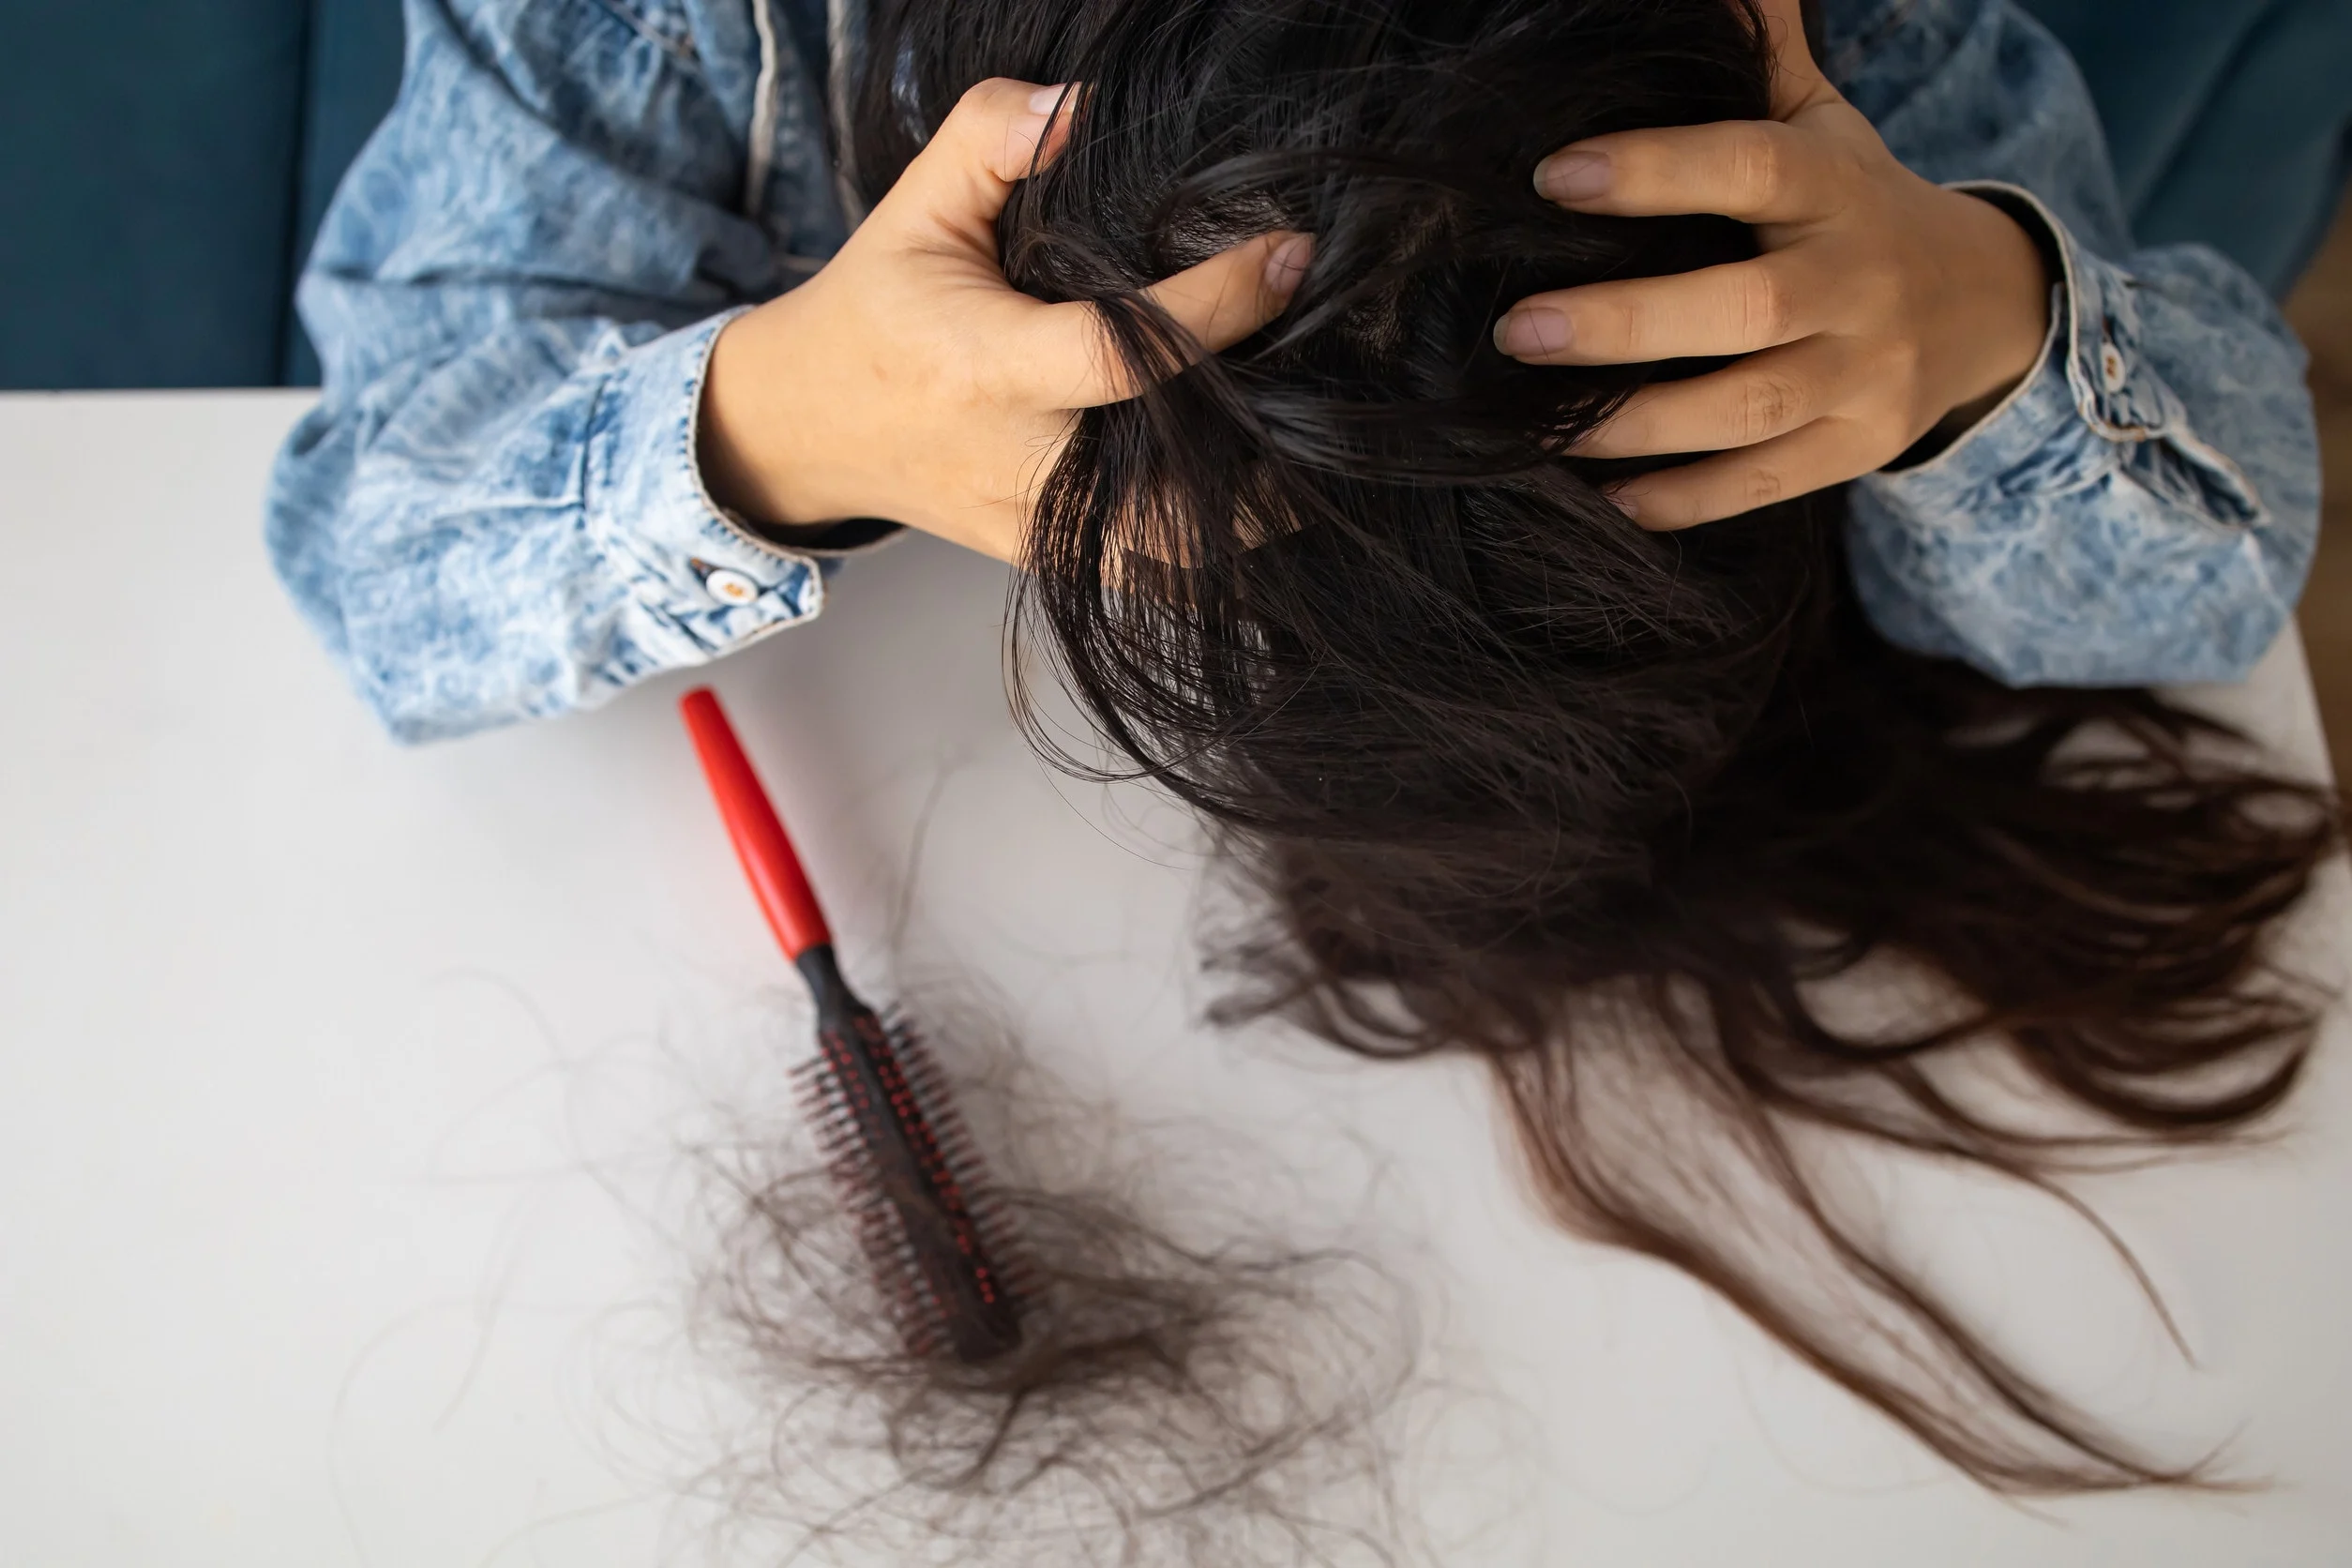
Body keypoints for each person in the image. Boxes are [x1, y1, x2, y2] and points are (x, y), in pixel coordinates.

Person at [265, 0, 2325, 744]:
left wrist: (1983, 333)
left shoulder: (1835, 36)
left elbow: (2218, 582)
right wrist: (770, 428)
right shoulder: (682, 28)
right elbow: (374, 541)